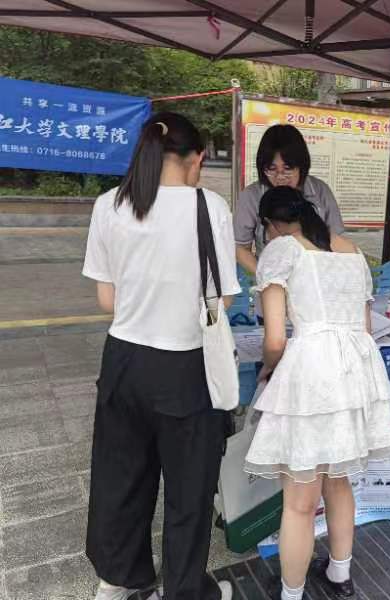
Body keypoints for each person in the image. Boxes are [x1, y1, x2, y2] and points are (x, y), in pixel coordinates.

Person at [83, 112, 240, 600]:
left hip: (123, 362)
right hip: (185, 366)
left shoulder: (110, 204)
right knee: (189, 489)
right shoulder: (208, 207)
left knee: (121, 477)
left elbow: (107, 300)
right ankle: (183, 591)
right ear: (196, 159)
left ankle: (118, 579)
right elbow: (221, 299)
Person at [243, 186, 390, 600]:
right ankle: (340, 574)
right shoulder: (352, 250)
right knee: (338, 481)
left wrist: (270, 370)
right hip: (354, 374)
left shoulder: (281, 250)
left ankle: (291, 594)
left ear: (271, 225)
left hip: (311, 374)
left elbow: (275, 340)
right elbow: (365, 328)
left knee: (300, 499)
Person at [233, 124, 345, 321]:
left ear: (302, 165)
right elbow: (239, 247)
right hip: (273, 295)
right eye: (272, 169)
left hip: (317, 295)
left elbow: (337, 242)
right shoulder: (251, 196)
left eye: (288, 169)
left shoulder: (320, 192)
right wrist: (270, 276)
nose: (280, 177)